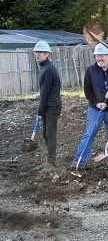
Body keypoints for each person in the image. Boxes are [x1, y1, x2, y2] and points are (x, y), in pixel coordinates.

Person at [70, 43, 108, 170]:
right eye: (97, 56)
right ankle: (78, 162)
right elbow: (87, 90)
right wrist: (96, 103)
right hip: (95, 109)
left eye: (101, 55)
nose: (99, 58)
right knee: (89, 135)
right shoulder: (91, 70)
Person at [33, 41, 62, 171]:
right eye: (36, 52)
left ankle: (52, 163)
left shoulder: (48, 69)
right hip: (48, 105)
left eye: (40, 52)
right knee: (45, 133)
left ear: (46, 54)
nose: (37, 54)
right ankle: (51, 161)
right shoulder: (44, 67)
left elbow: (44, 93)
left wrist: (40, 111)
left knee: (50, 133)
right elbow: (44, 92)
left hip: (52, 106)